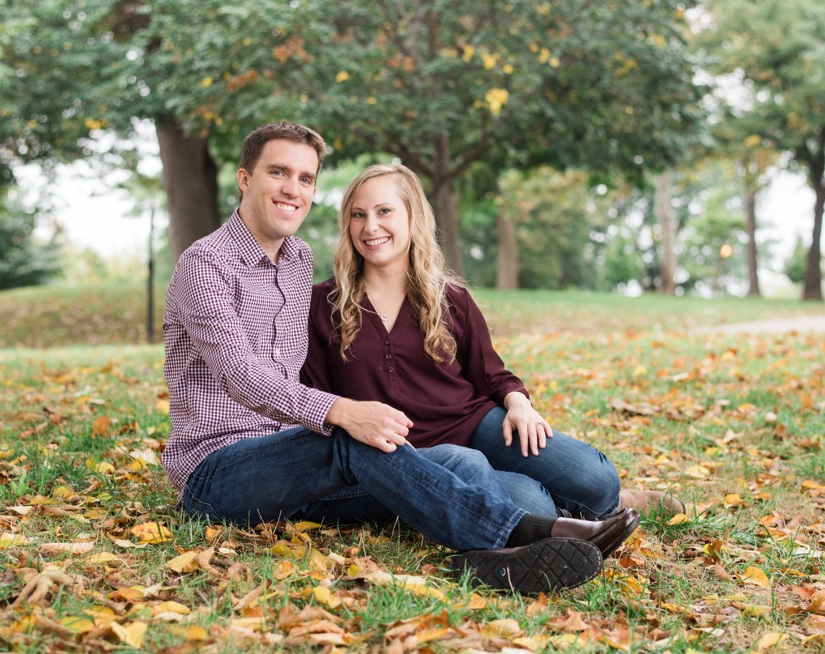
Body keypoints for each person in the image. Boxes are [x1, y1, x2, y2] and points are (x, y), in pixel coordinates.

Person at [161, 122, 639, 595]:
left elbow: (487, 371)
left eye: (306, 179)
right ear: (245, 179)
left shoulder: (296, 260)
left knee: (461, 460)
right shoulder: (205, 266)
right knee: (351, 438)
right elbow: (241, 375)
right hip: (218, 473)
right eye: (278, 172)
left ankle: (497, 562)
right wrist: (344, 412)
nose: (293, 189)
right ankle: (527, 533)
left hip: (299, 469)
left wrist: (515, 398)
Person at [302, 163, 682, 527]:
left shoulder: (451, 299)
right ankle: (565, 510)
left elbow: (493, 375)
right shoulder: (322, 304)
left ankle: (612, 502)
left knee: (595, 477)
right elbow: (313, 397)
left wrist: (519, 405)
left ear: (412, 217)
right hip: (405, 455)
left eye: (384, 211)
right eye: (358, 215)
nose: (371, 227)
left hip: (473, 424)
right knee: (534, 506)